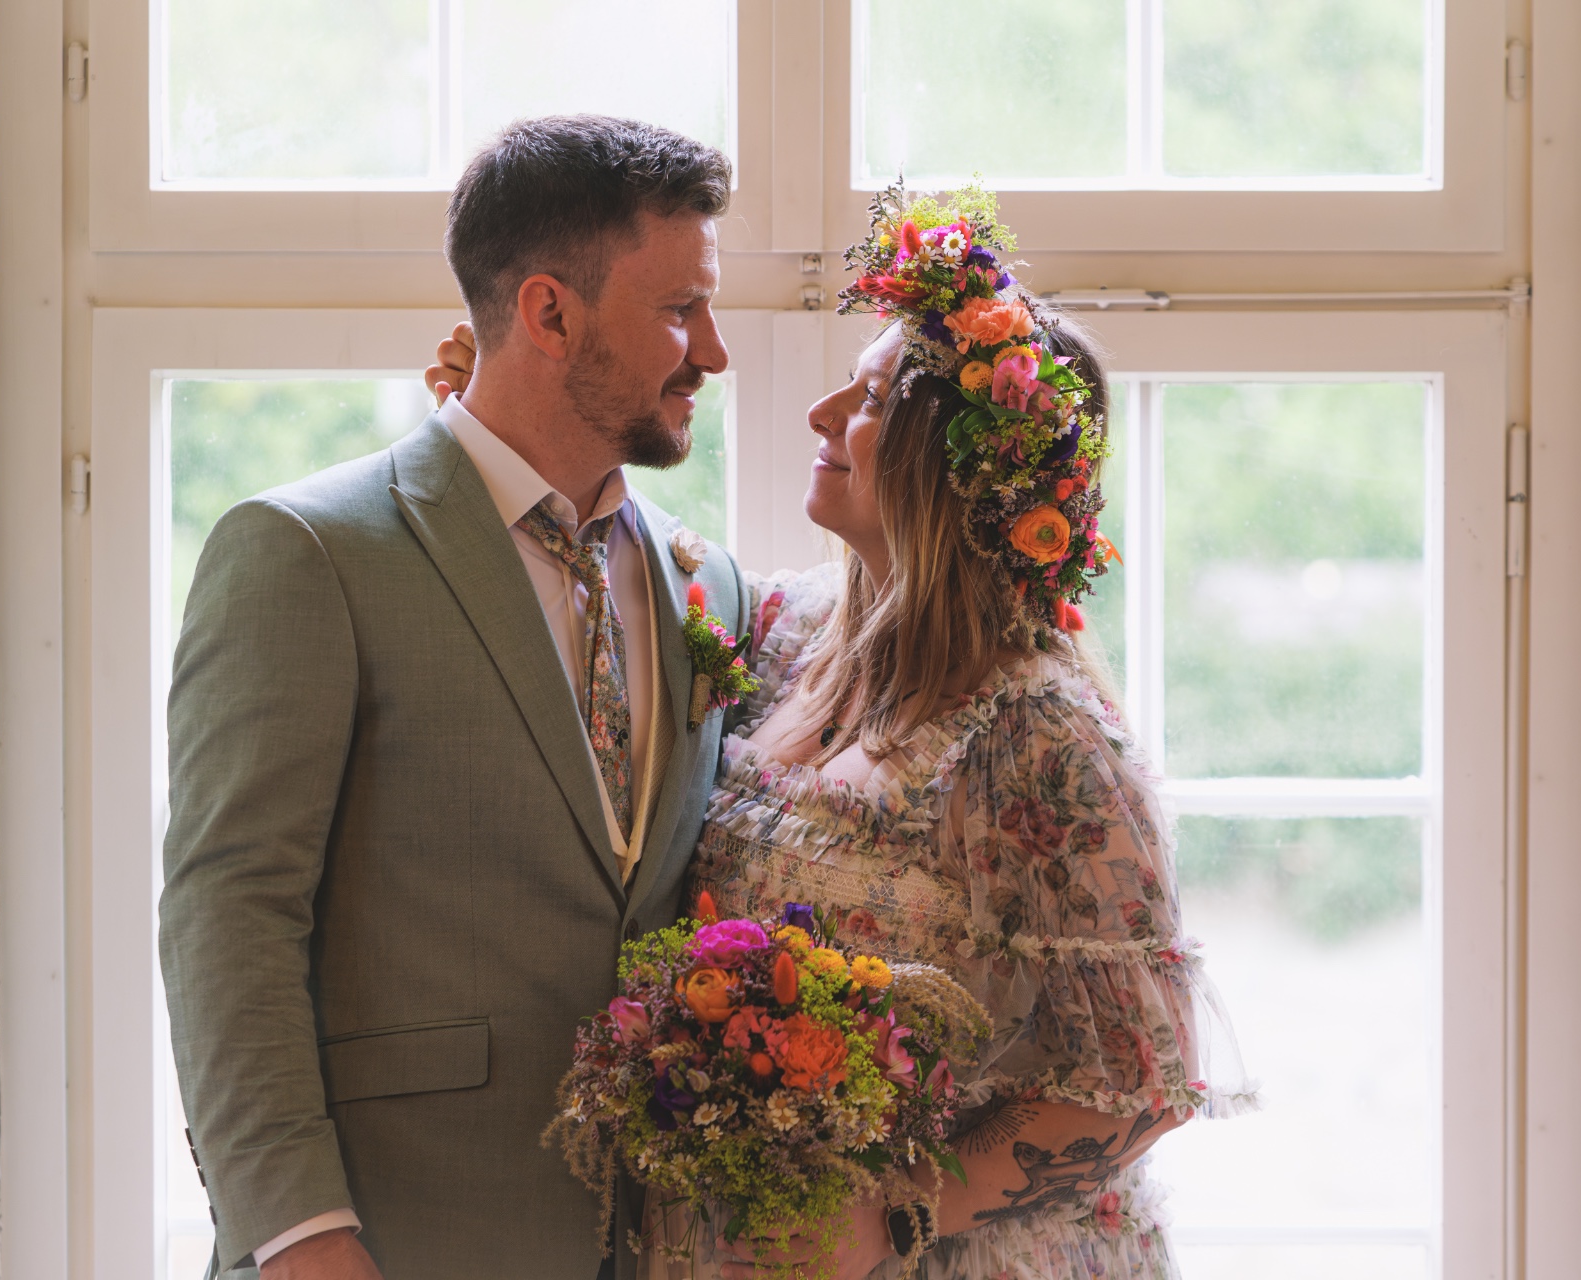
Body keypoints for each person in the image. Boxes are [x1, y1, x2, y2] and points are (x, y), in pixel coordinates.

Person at [427, 187, 1251, 1280]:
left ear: (954, 464)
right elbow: (596, 573)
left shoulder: (1045, 738)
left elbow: (1141, 1079)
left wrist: (902, 1212)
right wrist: (504, 417)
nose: (822, 413)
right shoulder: (778, 629)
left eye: (867, 399)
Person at [159, 115, 745, 1280]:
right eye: (682, 310)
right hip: (385, 1241)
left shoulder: (706, 583)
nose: (713, 353)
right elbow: (229, 914)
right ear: (549, 314)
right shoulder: (306, 551)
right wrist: (301, 1233)